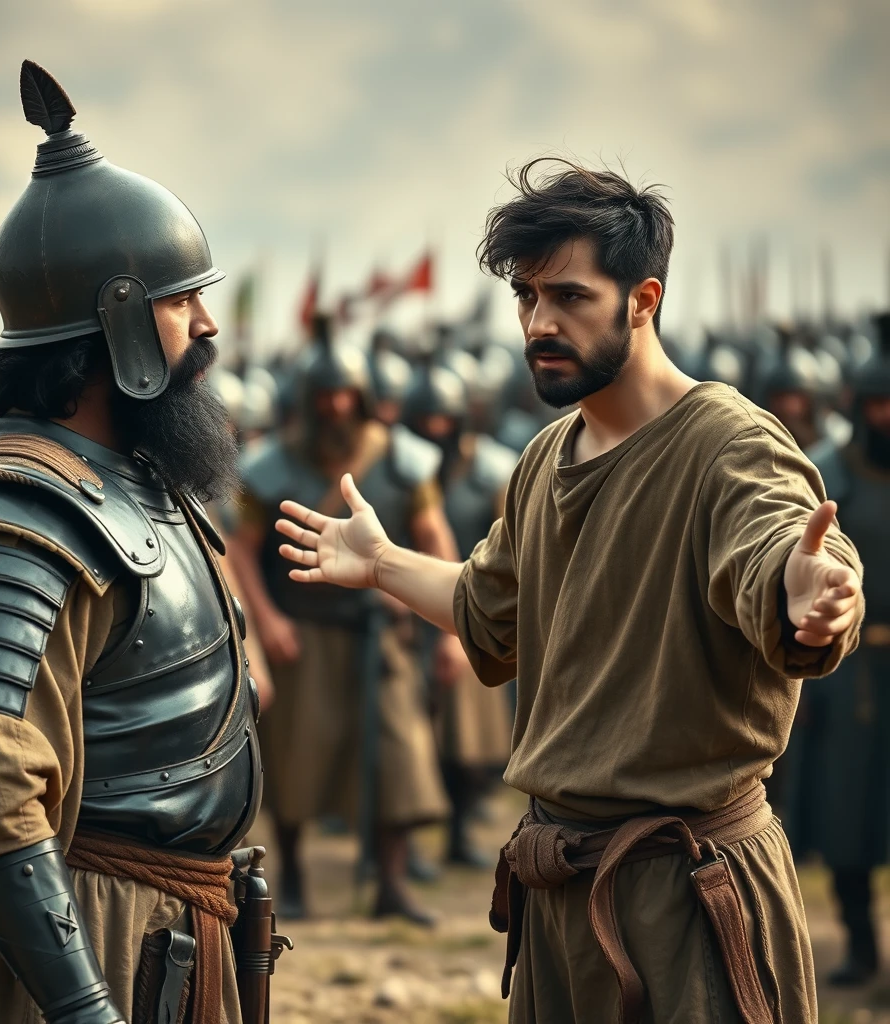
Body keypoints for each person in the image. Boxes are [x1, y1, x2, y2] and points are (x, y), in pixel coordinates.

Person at [275, 158, 864, 1023]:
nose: (539, 322)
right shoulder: (549, 456)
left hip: (688, 893)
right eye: (526, 296)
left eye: (570, 297)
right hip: (560, 890)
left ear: (643, 298)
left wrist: (806, 592)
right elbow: (488, 611)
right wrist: (383, 563)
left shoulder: (729, 445)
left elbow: (780, 549)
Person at [0, 61, 262, 1024]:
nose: (207, 323)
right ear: (118, 320)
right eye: (180, 302)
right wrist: (84, 1007)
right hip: (69, 949)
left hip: (162, 931)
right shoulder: (10, 524)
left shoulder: (125, 480)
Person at [226, 313, 453, 924]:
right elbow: (239, 552)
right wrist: (264, 621)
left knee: (400, 758)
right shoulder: (269, 467)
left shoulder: (405, 460)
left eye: (345, 394)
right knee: (299, 761)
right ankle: (294, 881)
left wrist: (449, 615)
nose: (334, 406)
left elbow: (435, 536)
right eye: (323, 395)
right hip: (305, 629)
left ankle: (393, 885)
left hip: (382, 629)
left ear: (364, 396)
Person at [400, 358, 516, 867]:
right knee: (410, 738)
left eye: (444, 420)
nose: (436, 430)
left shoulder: (493, 470)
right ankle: (409, 845)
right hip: (408, 606)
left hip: (472, 611)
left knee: (467, 738)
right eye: (427, 421)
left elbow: (510, 542)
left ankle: (461, 829)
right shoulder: (404, 467)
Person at [805, 311, 890, 987]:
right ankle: (860, 945)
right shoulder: (829, 472)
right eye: (878, 404)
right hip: (850, 673)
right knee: (846, 812)